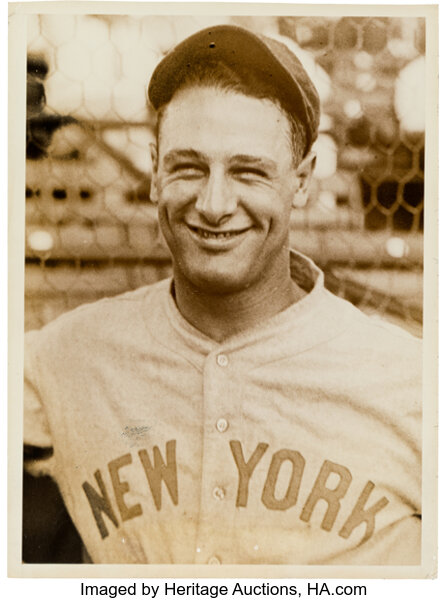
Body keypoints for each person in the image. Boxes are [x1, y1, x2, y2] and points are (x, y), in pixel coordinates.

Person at [24, 25, 421, 565]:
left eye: (249, 172)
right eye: (188, 167)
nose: (213, 203)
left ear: (301, 181)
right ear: (157, 170)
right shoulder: (65, 357)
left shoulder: (413, 383)